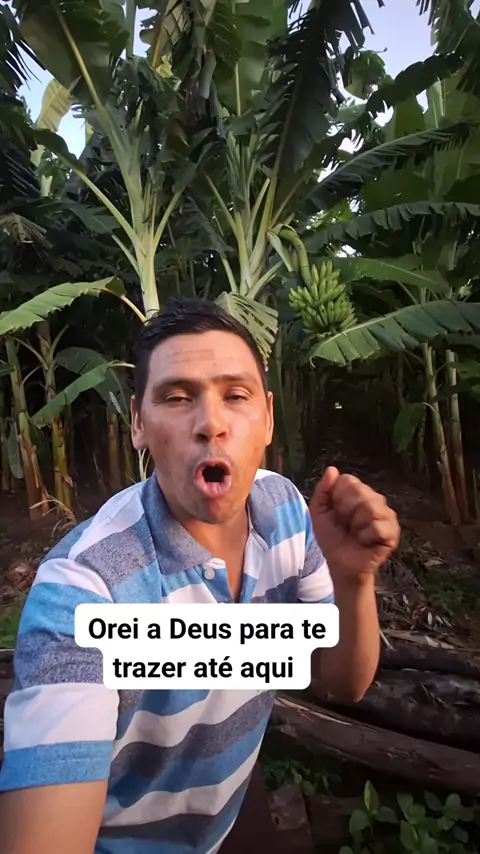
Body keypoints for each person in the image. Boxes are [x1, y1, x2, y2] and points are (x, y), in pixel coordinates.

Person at [0, 297, 400, 854]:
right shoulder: (86, 595)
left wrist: (352, 580)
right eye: (177, 397)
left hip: (227, 809)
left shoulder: (287, 510)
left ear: (267, 418)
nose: (211, 424)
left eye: (235, 396)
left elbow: (340, 681)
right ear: (138, 423)